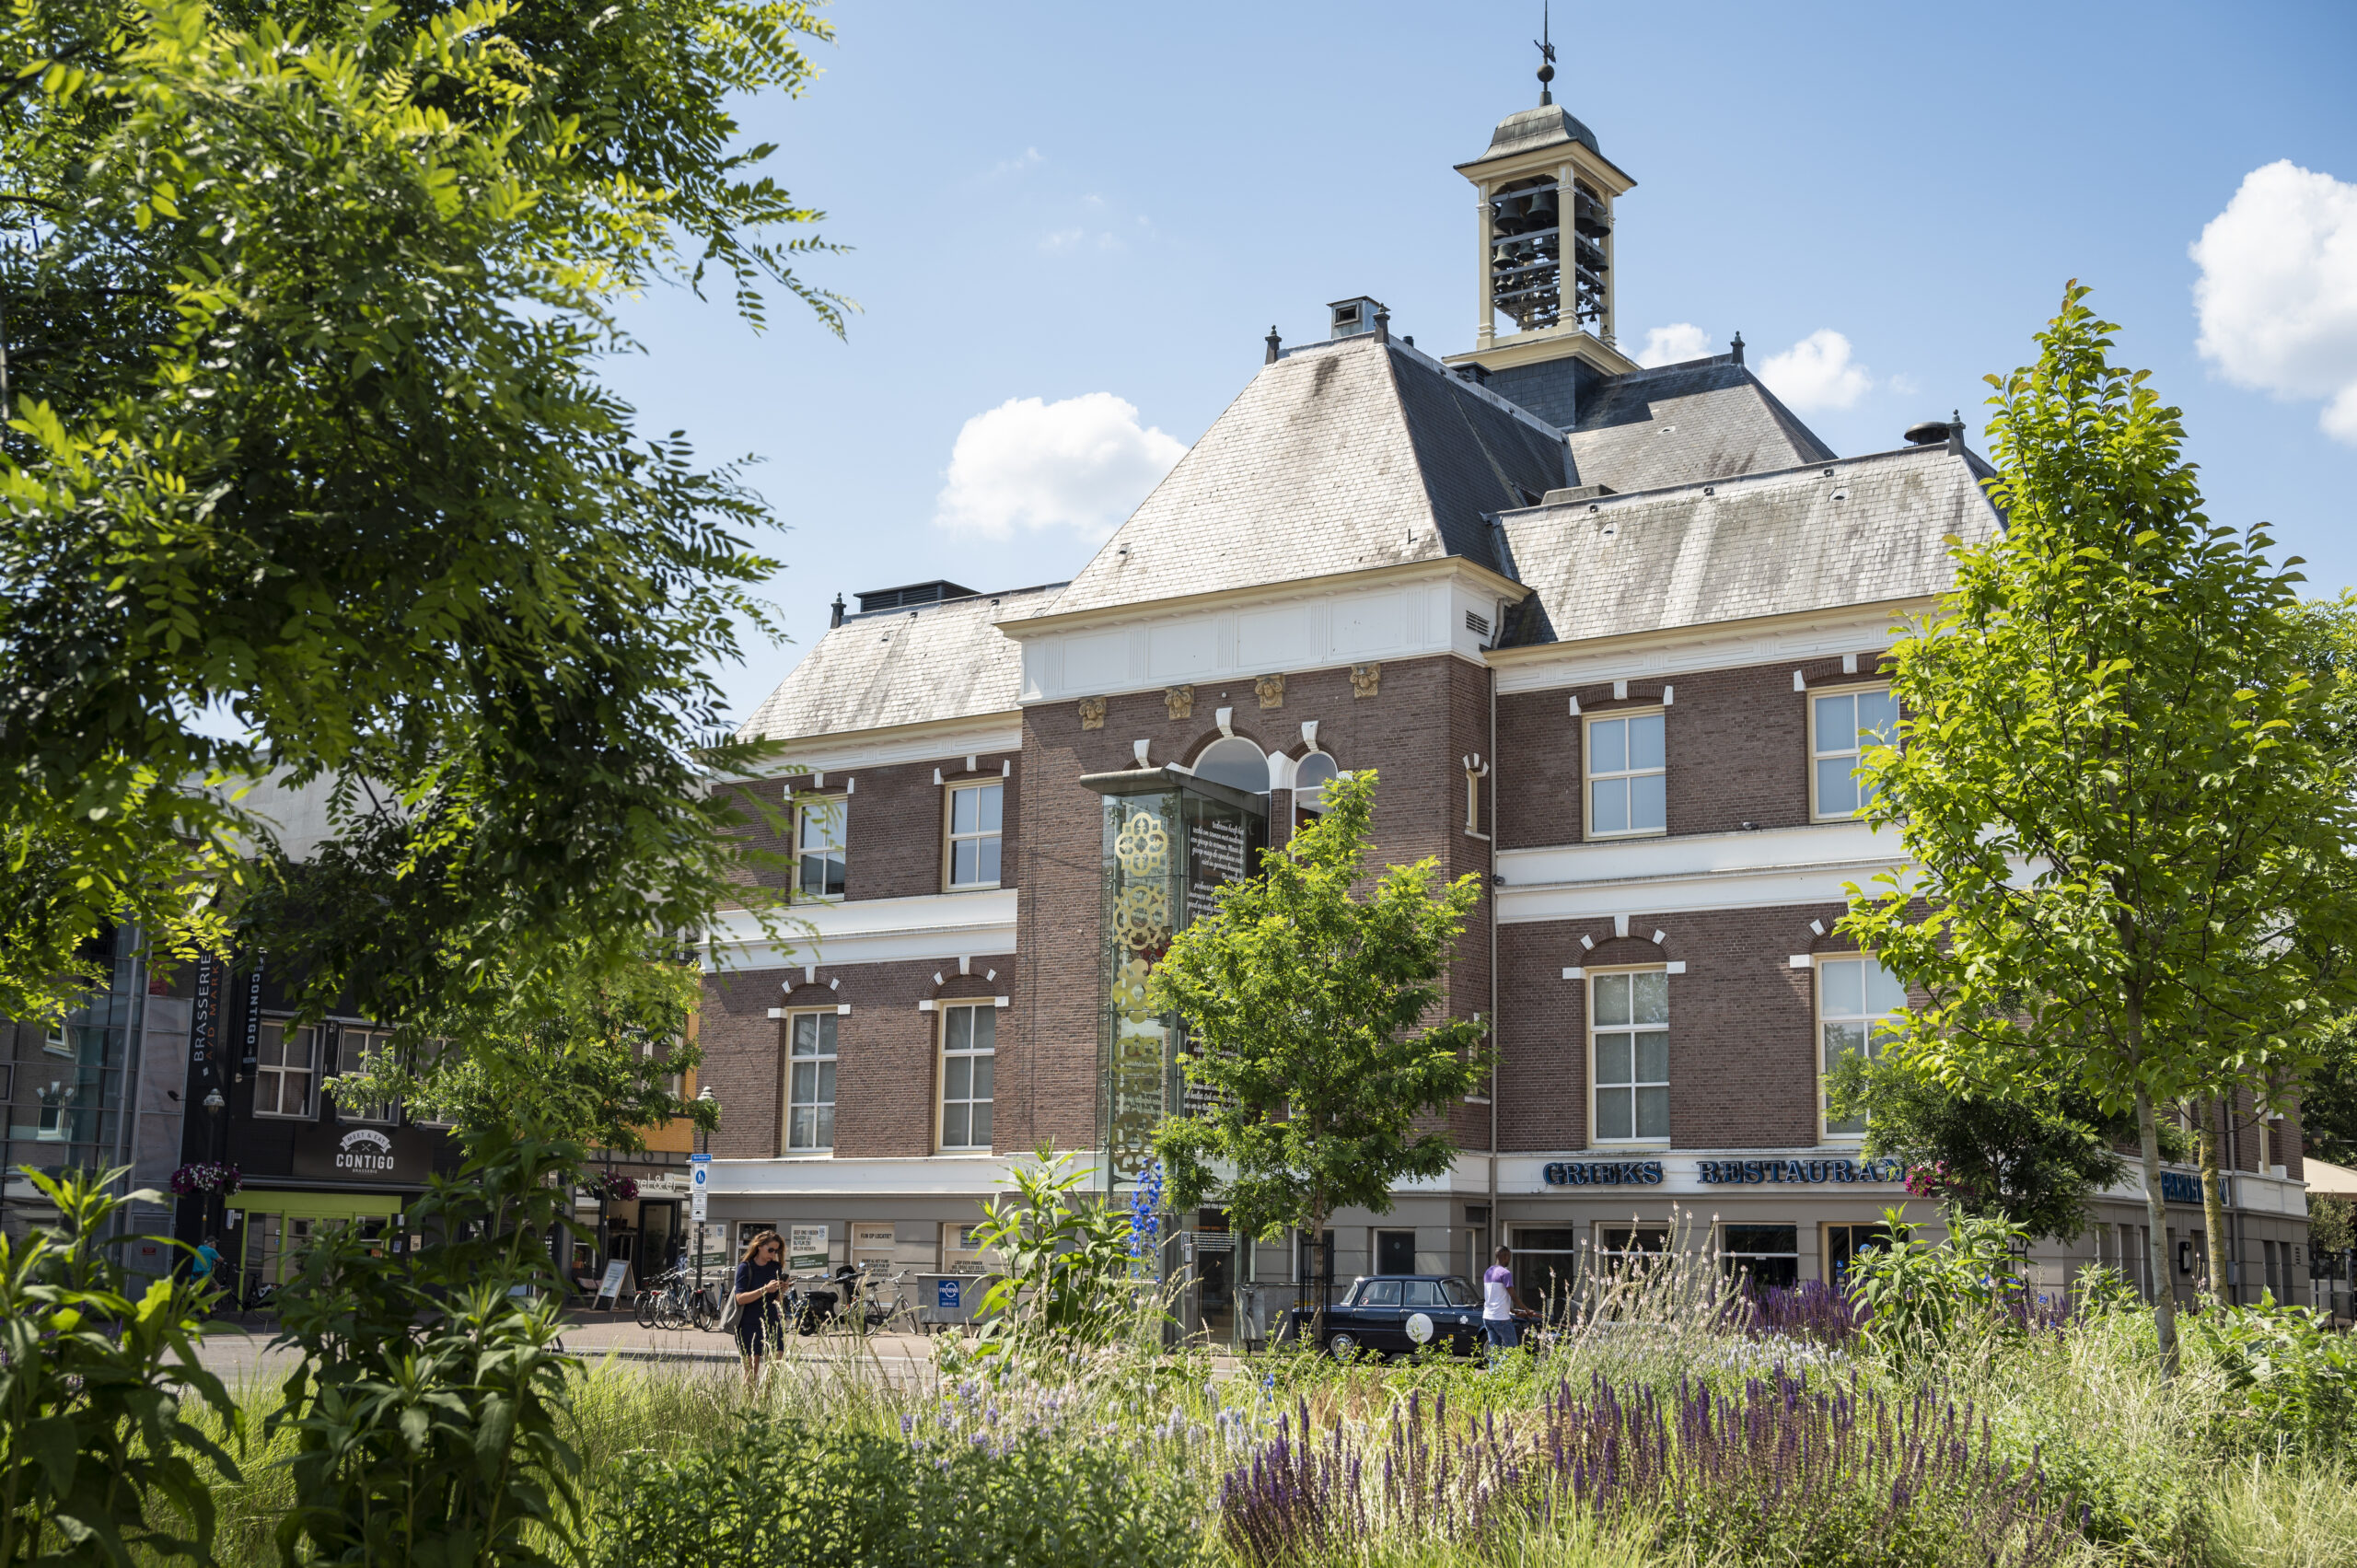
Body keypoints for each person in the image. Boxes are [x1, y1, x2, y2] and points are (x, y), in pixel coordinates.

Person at [732, 1230, 790, 1388]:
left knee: (777, 1359)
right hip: (748, 1323)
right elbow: (740, 1298)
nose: (773, 1254)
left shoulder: (775, 1267)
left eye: (776, 1251)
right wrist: (764, 1289)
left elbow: (775, 1301)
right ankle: (750, 1402)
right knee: (751, 1371)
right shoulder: (745, 1267)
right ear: (759, 1246)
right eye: (770, 1250)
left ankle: (766, 1397)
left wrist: (782, 1291)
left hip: (771, 1320)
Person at [1481, 1245, 1536, 1358]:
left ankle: (1494, 1370)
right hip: (1500, 1318)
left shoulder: (1488, 1272)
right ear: (1505, 1256)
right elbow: (1514, 1296)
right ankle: (1507, 1369)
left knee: (1494, 1352)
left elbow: (1493, 1297)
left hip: (1487, 1317)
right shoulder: (1505, 1273)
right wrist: (1527, 1310)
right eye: (1509, 1257)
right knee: (1512, 1350)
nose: (1509, 1260)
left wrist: (1512, 1310)